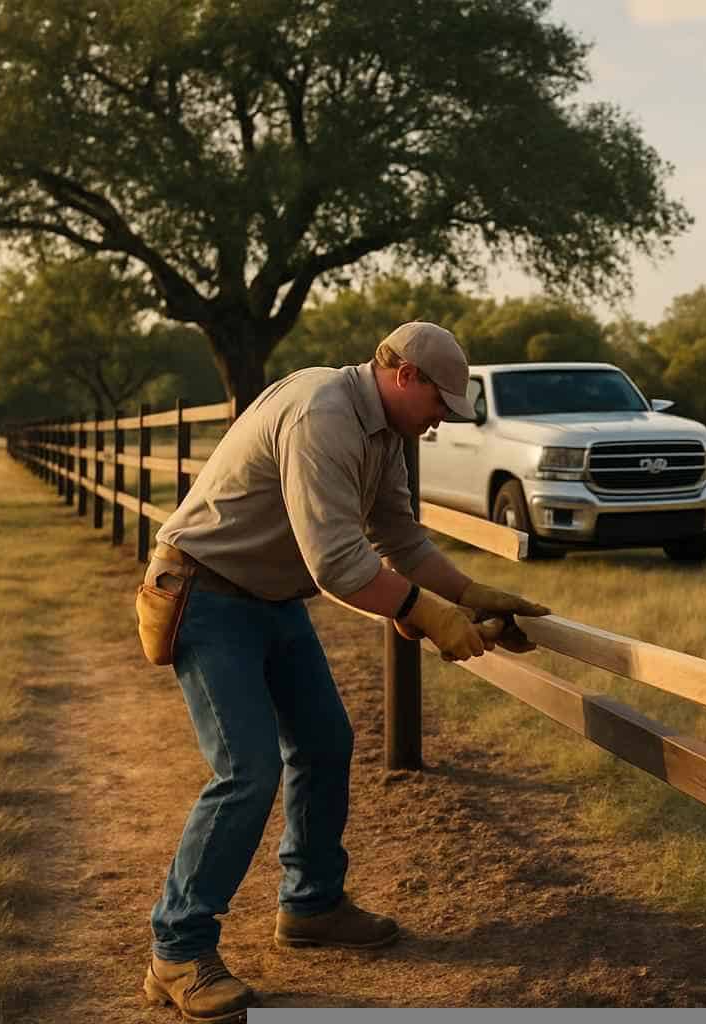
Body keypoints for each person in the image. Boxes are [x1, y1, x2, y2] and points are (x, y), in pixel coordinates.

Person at [139, 322, 550, 1021]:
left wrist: (466, 596)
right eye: (438, 405)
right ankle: (177, 949)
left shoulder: (384, 434)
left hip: (270, 598)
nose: (438, 424)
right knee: (247, 771)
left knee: (327, 741)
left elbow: (399, 538)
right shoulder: (321, 412)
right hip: (207, 595)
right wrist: (430, 615)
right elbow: (337, 564)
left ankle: (311, 905)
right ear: (405, 375)